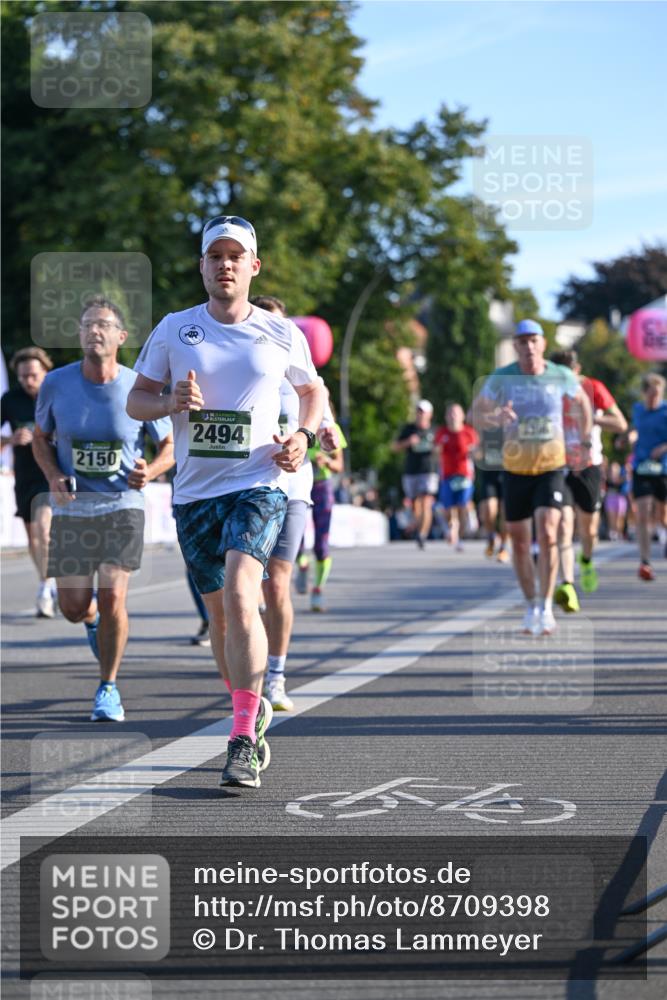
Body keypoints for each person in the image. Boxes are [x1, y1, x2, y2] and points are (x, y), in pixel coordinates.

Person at [127, 215, 324, 787]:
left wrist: (304, 437)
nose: (225, 265)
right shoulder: (174, 328)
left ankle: (241, 737)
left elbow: (313, 390)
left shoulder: (281, 332)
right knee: (220, 616)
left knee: (244, 593)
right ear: (203, 267)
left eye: (236, 256)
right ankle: (248, 703)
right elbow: (136, 400)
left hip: (259, 482)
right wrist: (167, 400)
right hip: (193, 495)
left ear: (254, 266)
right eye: (215, 256)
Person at [32, 297, 174, 721]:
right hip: (74, 508)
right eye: (87, 325)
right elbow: (41, 438)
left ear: (121, 336)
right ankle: (92, 620)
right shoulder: (56, 384)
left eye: (103, 325)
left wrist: (150, 472)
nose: (95, 331)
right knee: (74, 607)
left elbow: (168, 446)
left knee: (114, 596)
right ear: (79, 334)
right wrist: (53, 475)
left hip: (122, 505)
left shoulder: (138, 386)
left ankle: (107, 687)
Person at [472, 319, 592, 636]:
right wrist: (495, 417)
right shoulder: (501, 378)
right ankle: (532, 605)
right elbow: (477, 413)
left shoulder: (560, 374)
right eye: (522, 341)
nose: (528, 347)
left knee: (549, 532)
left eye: (533, 341)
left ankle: (548, 606)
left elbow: (583, 402)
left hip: (552, 466)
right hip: (516, 470)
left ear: (542, 344)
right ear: (515, 346)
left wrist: (586, 440)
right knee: (520, 542)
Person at [249, 294, 338, 711]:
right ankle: (245, 672)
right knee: (243, 588)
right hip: (245, 489)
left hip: (293, 489)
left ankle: (276, 675)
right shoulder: (241, 371)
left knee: (277, 583)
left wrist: (329, 435)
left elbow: (326, 424)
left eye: (279, 325)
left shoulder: (304, 378)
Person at [550, 349, 627, 611]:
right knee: (563, 525)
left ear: (577, 369)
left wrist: (593, 418)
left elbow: (621, 423)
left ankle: (586, 559)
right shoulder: (548, 392)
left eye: (567, 373)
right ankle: (568, 584)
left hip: (589, 464)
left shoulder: (593, 387)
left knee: (589, 529)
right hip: (559, 465)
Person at [1, 347, 56, 616]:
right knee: (33, 538)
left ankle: (47, 588)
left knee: (44, 530)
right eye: (23, 377)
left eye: (33, 375)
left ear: (45, 372)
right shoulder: (10, 400)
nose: (28, 381)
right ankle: (47, 580)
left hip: (54, 473)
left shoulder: (58, 395)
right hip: (25, 474)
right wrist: (10, 440)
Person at [296, 396, 347, 612]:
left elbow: (339, 465)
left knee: (321, 544)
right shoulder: (298, 423)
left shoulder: (331, 428)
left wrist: (326, 461)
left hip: (322, 486)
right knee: (295, 538)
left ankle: (317, 590)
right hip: (299, 484)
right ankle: (302, 566)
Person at [627, 373, 667, 580]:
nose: (654, 399)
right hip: (642, 466)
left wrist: (663, 447)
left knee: (663, 515)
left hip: (663, 468)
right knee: (642, 512)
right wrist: (630, 437)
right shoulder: (638, 410)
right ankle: (645, 561)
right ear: (644, 393)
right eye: (651, 395)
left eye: (657, 395)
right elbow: (635, 429)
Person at [392, 399, 439, 549]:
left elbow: (443, 450)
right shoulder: (409, 429)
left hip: (429, 471)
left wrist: (437, 449)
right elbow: (394, 447)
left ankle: (422, 534)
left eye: (423, 412)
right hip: (411, 471)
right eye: (418, 411)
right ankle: (419, 528)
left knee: (426, 502)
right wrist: (408, 442)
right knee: (414, 505)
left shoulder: (434, 431)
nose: (420, 415)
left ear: (429, 414)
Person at [434, 403, 478, 552]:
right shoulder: (442, 433)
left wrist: (474, 453)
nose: (453, 416)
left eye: (456, 413)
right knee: (449, 509)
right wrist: (436, 450)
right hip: (447, 475)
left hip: (465, 475)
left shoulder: (469, 433)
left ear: (462, 416)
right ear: (446, 417)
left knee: (462, 505)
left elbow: (478, 453)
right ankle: (454, 534)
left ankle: (461, 531)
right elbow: (435, 452)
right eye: (450, 413)